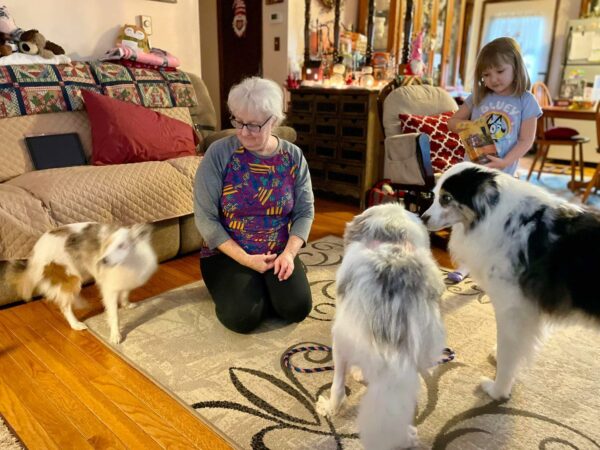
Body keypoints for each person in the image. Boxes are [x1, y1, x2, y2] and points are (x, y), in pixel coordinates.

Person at [193, 77, 314, 333]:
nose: (244, 132)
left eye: (254, 125)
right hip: (228, 254)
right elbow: (205, 219)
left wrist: (289, 254)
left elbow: (304, 211)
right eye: (238, 121)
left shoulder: (293, 156)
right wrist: (247, 261)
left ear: (274, 120)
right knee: (242, 318)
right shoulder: (219, 154)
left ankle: (263, 287)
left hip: (277, 251)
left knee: (296, 308)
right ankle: (244, 288)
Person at [446, 36, 542, 283]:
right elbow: (452, 122)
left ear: (516, 67)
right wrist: (468, 125)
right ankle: (466, 263)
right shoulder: (478, 97)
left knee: (494, 220)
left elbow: (525, 141)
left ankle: (492, 265)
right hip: (472, 169)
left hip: (502, 173)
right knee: (467, 216)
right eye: (486, 74)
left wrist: (504, 162)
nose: (493, 79)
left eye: (500, 71)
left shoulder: (525, 101)